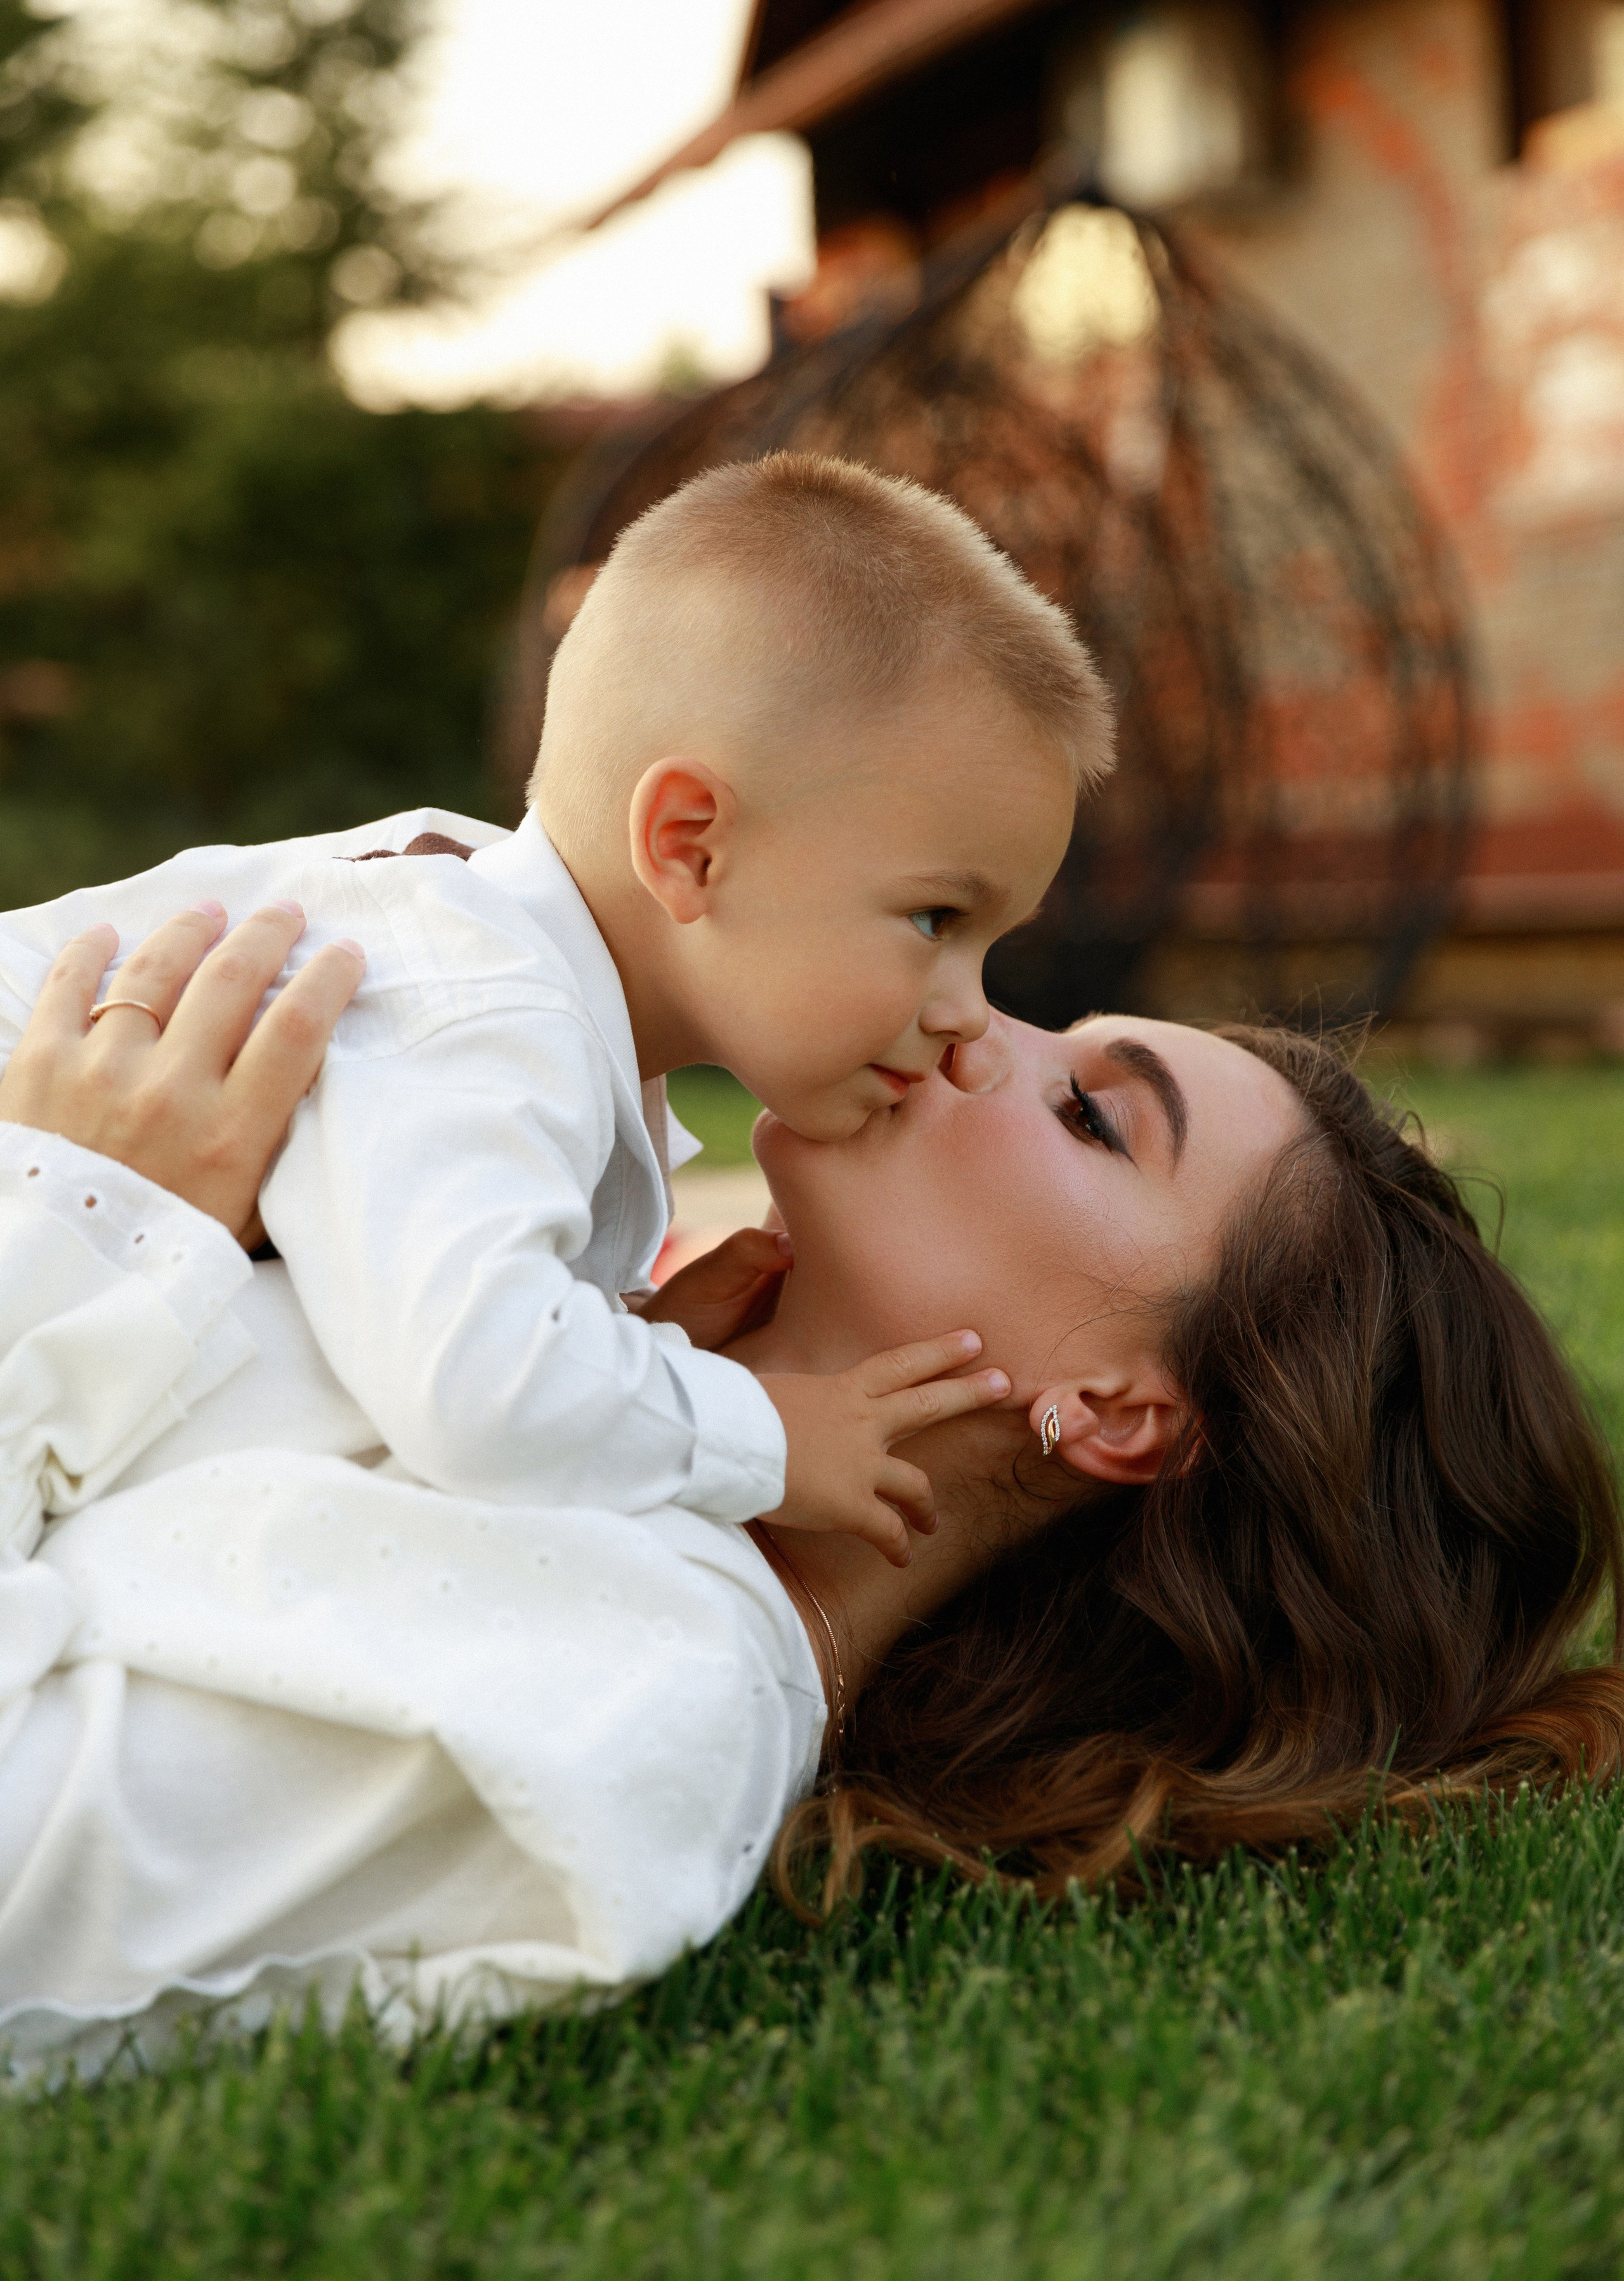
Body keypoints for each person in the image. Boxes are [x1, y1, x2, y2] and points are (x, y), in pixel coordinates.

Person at [0, 907, 1617, 2079]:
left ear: (1120, 1415)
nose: (977, 1023)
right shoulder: (536, 1371)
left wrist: (84, 1228)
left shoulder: (639, 1686)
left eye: (1087, 1114)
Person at [0, 454, 1111, 1573]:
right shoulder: (486, 1006)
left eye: (987, 944)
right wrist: (763, 1431)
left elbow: (371, 1360)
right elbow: (473, 1388)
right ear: (692, 845)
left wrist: (624, 1341)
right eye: (934, 919)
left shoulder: (509, 979)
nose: (972, 1014)